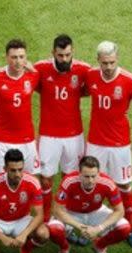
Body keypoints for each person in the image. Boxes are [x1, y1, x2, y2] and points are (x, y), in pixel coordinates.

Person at [85, 41, 132, 248]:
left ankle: (130, 228)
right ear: (98, 61)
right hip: (95, 143)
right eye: (105, 63)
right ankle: (90, 227)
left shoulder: (129, 81)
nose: (109, 67)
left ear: (117, 59)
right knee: (92, 184)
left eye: (112, 62)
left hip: (120, 144)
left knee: (124, 186)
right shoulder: (91, 76)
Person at [34, 34, 91, 224]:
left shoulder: (83, 70)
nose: (64, 59)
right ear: (53, 53)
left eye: (67, 55)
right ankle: (46, 218)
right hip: (48, 136)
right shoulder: (41, 68)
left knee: (71, 179)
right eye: (60, 55)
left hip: (74, 136)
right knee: (45, 179)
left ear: (72, 52)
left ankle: (67, 217)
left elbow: (91, 88)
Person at [47, 156, 131, 253]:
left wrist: (99, 228)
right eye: (86, 176)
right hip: (71, 212)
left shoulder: (107, 183)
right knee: (53, 229)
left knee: (124, 228)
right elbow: (57, 210)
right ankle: (64, 249)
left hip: (96, 212)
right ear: (79, 174)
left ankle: (100, 247)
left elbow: (120, 211)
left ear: (99, 174)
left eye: (93, 176)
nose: (90, 180)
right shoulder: (68, 181)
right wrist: (80, 227)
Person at [0, 39, 41, 177]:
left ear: (26, 58)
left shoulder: (33, 75)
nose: (18, 61)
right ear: (7, 58)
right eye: (14, 57)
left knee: (29, 179)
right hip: (3, 139)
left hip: (27, 138)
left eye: (21, 57)